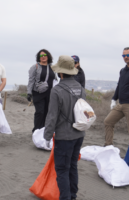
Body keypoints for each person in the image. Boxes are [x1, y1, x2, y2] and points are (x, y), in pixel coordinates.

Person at [44, 55, 87, 200]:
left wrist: (47, 136)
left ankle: (65, 197)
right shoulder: (81, 88)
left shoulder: (57, 90)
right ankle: (73, 196)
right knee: (73, 166)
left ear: (60, 72)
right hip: (79, 134)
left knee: (62, 169)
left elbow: (52, 116)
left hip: (64, 136)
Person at [104, 47, 129, 146]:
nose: (125, 57)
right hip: (121, 103)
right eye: (124, 55)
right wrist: (114, 99)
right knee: (108, 122)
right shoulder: (123, 70)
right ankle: (108, 146)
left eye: (127, 55)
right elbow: (119, 85)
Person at [27, 49, 57, 133]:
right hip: (38, 93)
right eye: (41, 56)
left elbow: (55, 80)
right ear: (38, 57)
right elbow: (31, 80)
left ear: (48, 56)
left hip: (50, 94)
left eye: (45, 55)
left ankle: (44, 130)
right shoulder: (35, 67)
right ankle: (36, 130)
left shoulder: (52, 67)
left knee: (47, 112)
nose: (43, 57)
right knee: (40, 112)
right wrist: (29, 93)